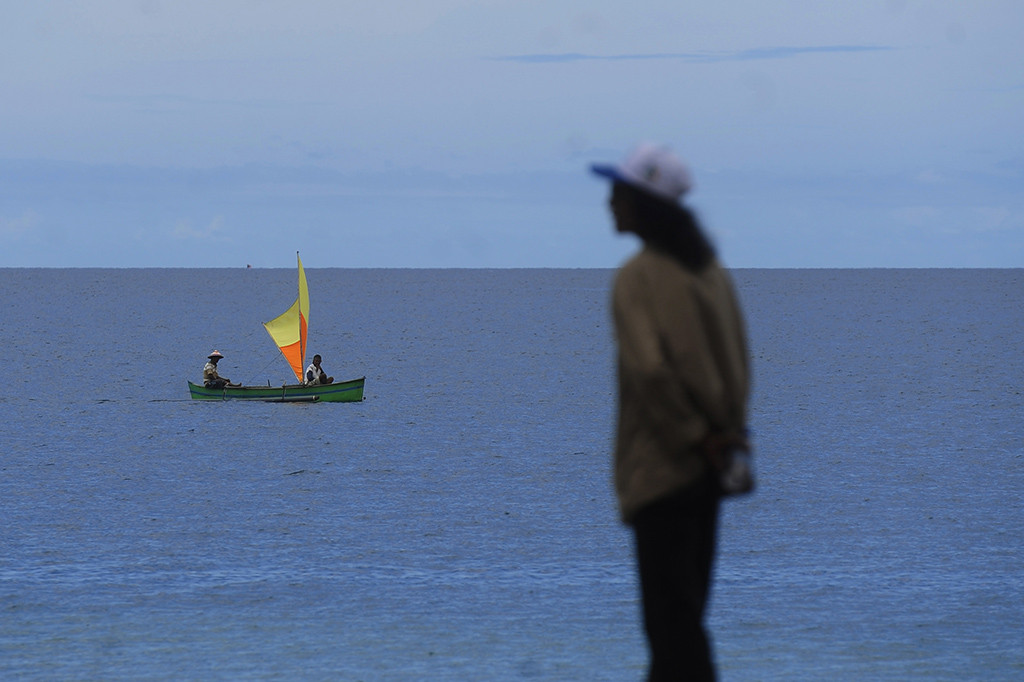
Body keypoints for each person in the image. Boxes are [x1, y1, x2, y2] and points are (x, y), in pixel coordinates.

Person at [591, 143, 752, 681]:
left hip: (663, 470)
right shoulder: (710, 270)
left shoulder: (637, 277)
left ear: (644, 204)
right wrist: (724, 434)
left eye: (619, 192)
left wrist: (690, 433)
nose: (609, 202)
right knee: (685, 617)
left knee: (671, 630)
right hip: (712, 469)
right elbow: (738, 364)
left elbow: (652, 372)